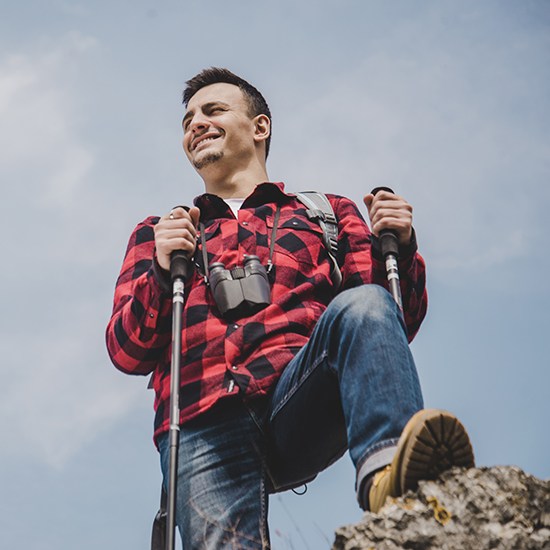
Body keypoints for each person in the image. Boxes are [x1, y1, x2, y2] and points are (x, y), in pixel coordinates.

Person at [106, 67, 474, 549]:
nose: (195, 123)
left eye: (213, 110)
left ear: (261, 127)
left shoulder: (326, 213)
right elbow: (127, 350)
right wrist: (159, 269)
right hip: (201, 416)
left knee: (364, 304)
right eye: (187, 119)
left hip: (298, 393)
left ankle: (391, 477)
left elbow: (386, 319)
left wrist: (400, 249)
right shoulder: (161, 234)